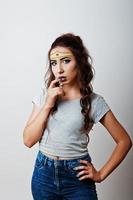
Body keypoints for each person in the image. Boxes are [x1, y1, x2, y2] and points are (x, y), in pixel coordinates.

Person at [23, 33, 132, 200]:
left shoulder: (94, 102)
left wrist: (101, 174)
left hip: (77, 179)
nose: (59, 69)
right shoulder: (45, 95)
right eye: (54, 63)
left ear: (80, 62)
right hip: (43, 176)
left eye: (66, 61)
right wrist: (48, 104)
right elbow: (28, 140)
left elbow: (124, 141)